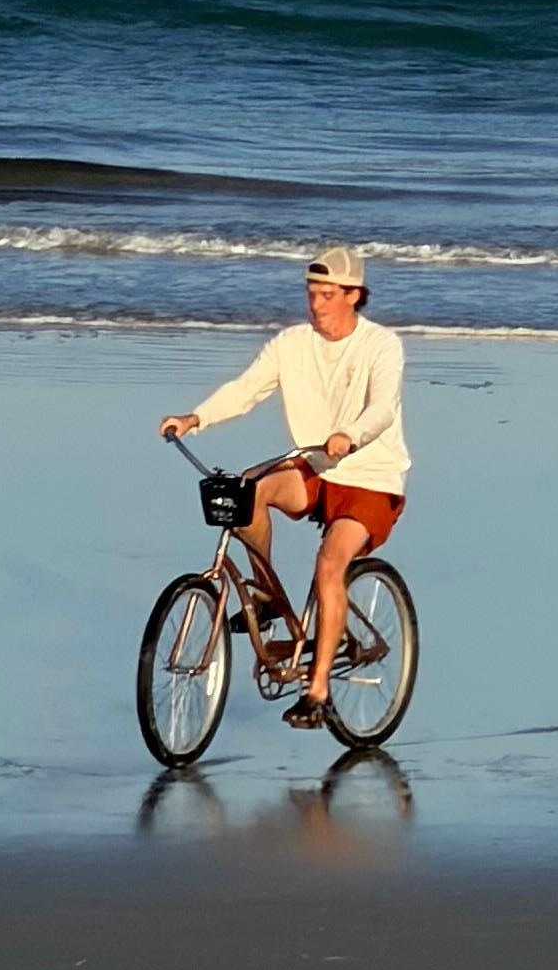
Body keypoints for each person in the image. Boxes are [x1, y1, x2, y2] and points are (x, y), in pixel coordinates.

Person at [163, 247, 409, 729]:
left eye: (327, 295)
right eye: (311, 294)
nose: (316, 304)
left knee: (330, 563)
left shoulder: (382, 346)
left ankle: (316, 691)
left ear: (354, 296)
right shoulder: (292, 344)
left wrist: (351, 435)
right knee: (246, 492)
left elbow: (382, 408)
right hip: (316, 467)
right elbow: (247, 387)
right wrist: (195, 418)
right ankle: (266, 595)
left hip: (369, 475)